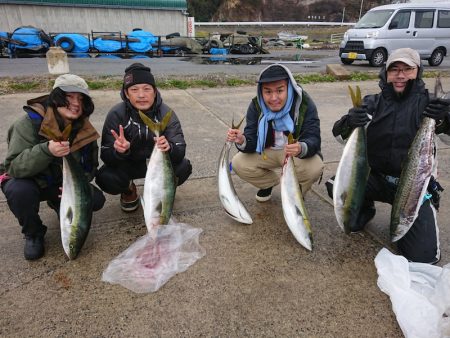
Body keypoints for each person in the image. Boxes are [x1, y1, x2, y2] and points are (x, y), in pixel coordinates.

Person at [330, 48, 450, 264]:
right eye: (394, 69)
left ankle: (410, 215)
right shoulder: (372, 103)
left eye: (407, 69)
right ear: (386, 73)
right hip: (375, 179)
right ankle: (365, 210)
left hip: (414, 185)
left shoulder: (431, 105)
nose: (400, 75)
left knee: (423, 258)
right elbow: (339, 137)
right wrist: (349, 122)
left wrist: (445, 120)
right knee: (337, 187)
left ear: (418, 72)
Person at [0, 74, 106, 260]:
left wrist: (73, 188)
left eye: (81, 98)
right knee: (19, 191)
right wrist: (46, 150)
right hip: (32, 183)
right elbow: (14, 167)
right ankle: (33, 233)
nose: (76, 104)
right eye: (69, 97)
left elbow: (90, 167)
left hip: (61, 185)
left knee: (95, 199)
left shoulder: (84, 129)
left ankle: (59, 203)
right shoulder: (27, 125)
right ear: (55, 97)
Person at [96, 63, 192, 212]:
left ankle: (162, 190)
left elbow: (180, 150)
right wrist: (120, 151)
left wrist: (169, 148)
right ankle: (128, 190)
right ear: (126, 94)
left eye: (147, 89)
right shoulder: (116, 114)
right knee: (106, 177)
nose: (141, 95)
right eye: (134, 90)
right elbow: (106, 155)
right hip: (129, 165)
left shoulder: (166, 113)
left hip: (158, 165)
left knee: (184, 167)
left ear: (155, 91)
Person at [226, 64, 324, 202]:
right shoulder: (256, 105)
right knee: (238, 163)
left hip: (294, 154)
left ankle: (297, 191)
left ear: (289, 88)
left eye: (279, 90)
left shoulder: (304, 103)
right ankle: (268, 184)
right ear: (261, 92)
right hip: (267, 152)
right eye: (267, 92)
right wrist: (242, 139)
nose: (273, 98)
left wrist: (301, 147)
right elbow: (251, 138)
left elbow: (313, 137)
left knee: (314, 167)